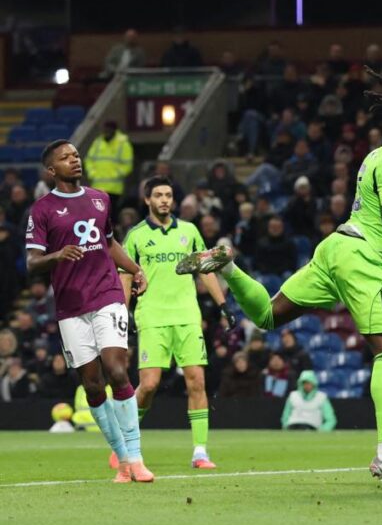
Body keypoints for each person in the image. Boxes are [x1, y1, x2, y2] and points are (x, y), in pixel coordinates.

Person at [176, 67, 382, 489]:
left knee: (267, 316)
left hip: (334, 248)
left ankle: (228, 265)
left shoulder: (376, 157)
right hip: (361, 257)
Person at [25, 139, 153, 483]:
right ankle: (123, 461)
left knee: (116, 369)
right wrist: (57, 255)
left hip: (106, 294)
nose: (75, 160)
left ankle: (137, 457)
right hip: (70, 306)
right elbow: (32, 262)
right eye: (66, 158)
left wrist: (135, 269)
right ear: (52, 170)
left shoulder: (100, 198)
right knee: (93, 386)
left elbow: (108, 242)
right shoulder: (42, 210)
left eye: (76, 155)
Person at [118, 176, 236, 470]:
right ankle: (125, 443)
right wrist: (122, 313)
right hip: (153, 316)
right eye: (158, 195)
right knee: (148, 385)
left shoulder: (190, 230)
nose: (164, 200)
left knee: (196, 380)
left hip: (186, 316)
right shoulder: (135, 236)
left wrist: (222, 304)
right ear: (147, 200)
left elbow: (205, 269)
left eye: (168, 195)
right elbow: (126, 276)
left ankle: (200, 452)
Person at [85, 121, 133, 211]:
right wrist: (92, 172)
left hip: (114, 188)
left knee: (111, 214)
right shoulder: (97, 142)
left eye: (108, 129)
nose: (106, 131)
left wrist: (116, 174)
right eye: (105, 129)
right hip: (97, 187)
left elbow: (127, 165)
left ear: (114, 130)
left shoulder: (123, 143)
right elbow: (89, 160)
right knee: (97, 214)